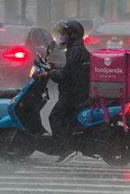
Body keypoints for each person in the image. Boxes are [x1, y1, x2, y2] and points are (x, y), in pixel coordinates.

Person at [38, 19, 91, 163]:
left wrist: (48, 74)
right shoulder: (78, 50)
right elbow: (70, 70)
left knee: (54, 117)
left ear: (73, 35)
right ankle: (70, 145)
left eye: (64, 34)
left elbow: (64, 76)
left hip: (72, 95)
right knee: (66, 120)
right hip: (78, 93)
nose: (61, 37)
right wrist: (55, 67)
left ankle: (65, 149)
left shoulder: (74, 51)